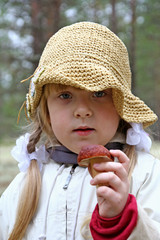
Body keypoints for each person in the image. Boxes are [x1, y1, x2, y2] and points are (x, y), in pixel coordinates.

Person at [0, 21, 160, 240]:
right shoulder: (23, 187)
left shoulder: (146, 175)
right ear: (46, 110)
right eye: (65, 96)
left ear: (121, 105)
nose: (83, 111)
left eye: (99, 93)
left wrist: (121, 218)